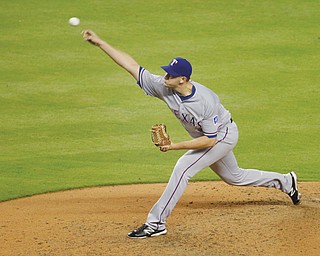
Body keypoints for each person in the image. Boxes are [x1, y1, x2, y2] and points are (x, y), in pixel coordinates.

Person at [82, 29, 301, 239]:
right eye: (167, 71)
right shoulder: (164, 86)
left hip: (222, 135)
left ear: (183, 80)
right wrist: (101, 43)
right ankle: (286, 181)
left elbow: (209, 140)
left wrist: (174, 146)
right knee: (234, 177)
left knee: (183, 168)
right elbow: (132, 66)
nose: (166, 75)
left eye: (172, 74)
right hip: (208, 136)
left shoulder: (205, 102)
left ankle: (156, 223)